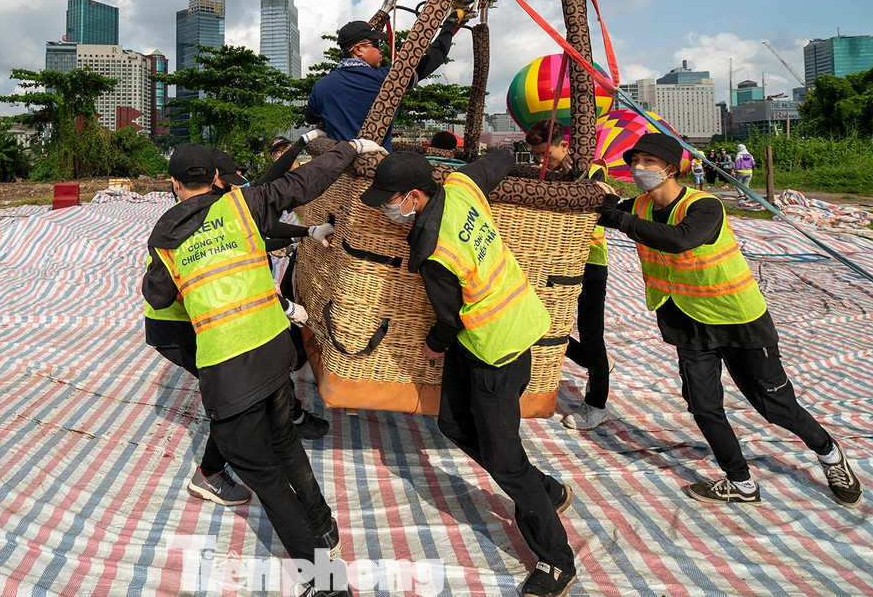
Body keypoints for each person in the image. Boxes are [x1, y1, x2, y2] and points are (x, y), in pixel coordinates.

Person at [145, 140, 384, 596]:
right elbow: (302, 181)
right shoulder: (242, 205)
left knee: (267, 479)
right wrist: (350, 149)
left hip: (228, 369)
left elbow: (157, 297)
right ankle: (324, 526)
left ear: (175, 184)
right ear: (216, 178)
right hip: (275, 354)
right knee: (285, 443)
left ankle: (326, 584)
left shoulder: (164, 236)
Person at [594, 132, 864, 508]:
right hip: (686, 320)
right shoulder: (636, 206)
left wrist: (618, 218)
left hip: (738, 319)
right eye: (634, 162)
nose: (639, 169)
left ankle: (829, 453)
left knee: (775, 405)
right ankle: (740, 481)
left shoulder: (705, 206)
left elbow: (679, 239)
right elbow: (603, 206)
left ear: (671, 168)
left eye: (648, 163)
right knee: (703, 406)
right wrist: (589, 192)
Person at [360, 148, 579, 597]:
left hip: (495, 349)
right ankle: (546, 490)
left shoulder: (432, 247)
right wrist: (526, 154)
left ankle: (557, 560)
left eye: (391, 199)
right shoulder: (460, 186)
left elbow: (449, 319)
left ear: (416, 195)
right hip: (505, 325)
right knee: (452, 421)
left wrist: (433, 343)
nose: (387, 208)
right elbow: (497, 160)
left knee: (504, 460)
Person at [210, 147, 331, 439]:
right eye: (233, 177)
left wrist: (305, 232)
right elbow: (239, 273)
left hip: (243, 303)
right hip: (240, 306)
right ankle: (290, 419)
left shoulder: (221, 202)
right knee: (267, 367)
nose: (240, 181)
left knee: (262, 365)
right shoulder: (219, 211)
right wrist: (284, 305)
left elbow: (261, 225)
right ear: (216, 178)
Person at [524, 120, 610, 432]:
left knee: (592, 333)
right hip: (553, 261)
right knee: (539, 322)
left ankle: (597, 404)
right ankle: (591, 361)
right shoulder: (543, 173)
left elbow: (593, 202)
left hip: (590, 261)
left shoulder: (593, 172)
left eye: (546, 154)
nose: (541, 161)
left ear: (564, 145)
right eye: (536, 156)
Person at [305, 13, 463, 150]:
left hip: (337, 171)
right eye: (376, 44)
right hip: (379, 170)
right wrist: (449, 25)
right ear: (358, 49)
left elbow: (311, 118)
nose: (380, 50)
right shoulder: (389, 78)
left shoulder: (321, 86)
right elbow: (435, 58)